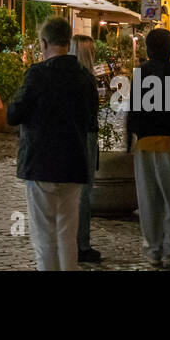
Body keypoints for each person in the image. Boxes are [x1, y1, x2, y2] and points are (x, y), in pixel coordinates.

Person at [6, 17, 96, 271]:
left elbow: (14, 114)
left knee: (44, 234)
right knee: (68, 233)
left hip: (41, 163)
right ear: (68, 42)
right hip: (73, 163)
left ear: (44, 43)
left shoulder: (38, 74)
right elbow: (91, 121)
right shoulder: (84, 77)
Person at [126, 27, 170, 268]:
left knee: (148, 200)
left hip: (145, 144)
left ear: (148, 49)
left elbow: (133, 109)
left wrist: (129, 140)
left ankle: (154, 248)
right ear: (169, 50)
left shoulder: (141, 74)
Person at [71, 33, 103, 264]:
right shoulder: (86, 78)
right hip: (86, 137)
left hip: (72, 136)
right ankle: (81, 244)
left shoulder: (70, 77)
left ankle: (72, 241)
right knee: (84, 194)